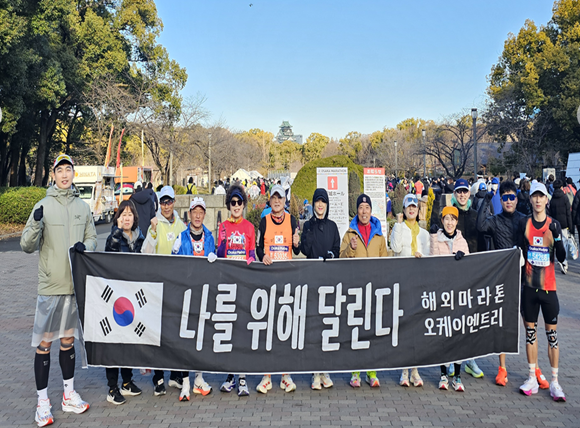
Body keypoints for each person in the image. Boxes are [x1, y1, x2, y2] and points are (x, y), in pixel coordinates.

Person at [21, 154, 97, 427]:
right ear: (53, 175)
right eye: (60, 170)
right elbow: (26, 245)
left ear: (74, 173)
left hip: (73, 286)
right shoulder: (42, 205)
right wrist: (35, 223)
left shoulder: (83, 207)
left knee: (67, 341)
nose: (64, 175)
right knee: (44, 344)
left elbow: (92, 237)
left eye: (68, 170)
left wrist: (87, 247)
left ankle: (68, 394)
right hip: (50, 287)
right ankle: (42, 402)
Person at [476, 180, 550, 388]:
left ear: (517, 199)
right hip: (503, 279)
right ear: (501, 200)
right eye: (505, 198)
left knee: (530, 324)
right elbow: (480, 226)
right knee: (503, 324)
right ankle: (502, 368)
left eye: (512, 197)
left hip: (525, 278)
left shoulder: (524, 220)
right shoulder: (494, 221)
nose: (509, 201)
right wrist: (487, 197)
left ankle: (535, 368)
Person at [517, 181, 567, 401]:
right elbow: (518, 251)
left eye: (541, 196)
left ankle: (555, 381)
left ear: (547, 200)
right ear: (530, 199)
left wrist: (557, 238)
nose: (538, 200)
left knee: (552, 336)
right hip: (529, 288)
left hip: (549, 289)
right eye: (534, 196)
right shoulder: (524, 223)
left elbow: (562, 257)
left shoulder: (554, 224)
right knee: (530, 334)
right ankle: (531, 377)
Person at [141, 186, 188, 396]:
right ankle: (158, 377)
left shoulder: (181, 225)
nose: (166, 206)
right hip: (158, 286)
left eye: (169, 202)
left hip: (176, 286)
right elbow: (145, 253)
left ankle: (175, 375)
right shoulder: (154, 224)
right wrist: (152, 232)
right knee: (158, 334)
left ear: (174, 202)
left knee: (175, 332)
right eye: (163, 202)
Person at [255, 184, 301, 393]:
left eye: (280, 198)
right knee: (268, 329)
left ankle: (285, 375)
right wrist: (262, 256)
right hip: (268, 281)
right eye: (273, 198)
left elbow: (297, 250)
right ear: (270, 200)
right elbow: (258, 247)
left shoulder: (292, 221)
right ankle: (266, 376)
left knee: (286, 329)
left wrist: (297, 242)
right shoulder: (264, 221)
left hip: (287, 282)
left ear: (284, 201)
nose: (276, 201)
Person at [340, 194, 388, 388]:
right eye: (361, 207)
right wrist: (351, 249)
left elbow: (385, 262)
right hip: (355, 288)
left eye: (367, 207)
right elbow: (340, 259)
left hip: (374, 289)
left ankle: (372, 372)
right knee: (356, 331)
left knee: (373, 331)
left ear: (371, 211)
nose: (364, 211)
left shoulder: (379, 236)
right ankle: (355, 372)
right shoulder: (349, 234)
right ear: (357, 210)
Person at [171, 196, 215, 400]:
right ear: (189, 214)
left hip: (203, 294)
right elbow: (174, 264)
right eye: (194, 212)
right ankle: (185, 383)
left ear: (204, 215)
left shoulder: (210, 237)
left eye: (200, 212)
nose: (197, 216)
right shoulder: (181, 238)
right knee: (186, 340)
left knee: (201, 338)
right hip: (186, 294)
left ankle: (199, 378)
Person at [215, 185, 256, 397]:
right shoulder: (223, 226)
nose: (237, 206)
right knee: (229, 331)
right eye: (233, 202)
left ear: (244, 204)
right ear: (229, 205)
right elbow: (220, 255)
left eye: (240, 202)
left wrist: (251, 259)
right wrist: (222, 241)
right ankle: (230, 375)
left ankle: (242, 377)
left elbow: (252, 253)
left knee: (242, 331)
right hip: (228, 285)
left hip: (244, 284)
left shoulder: (249, 228)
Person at [104, 200, 144, 405]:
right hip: (115, 297)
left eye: (130, 214)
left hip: (132, 297)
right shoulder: (114, 237)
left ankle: (127, 381)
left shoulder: (140, 237)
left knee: (129, 340)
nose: (127, 218)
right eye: (123, 214)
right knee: (114, 342)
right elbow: (109, 253)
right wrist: (118, 231)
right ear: (118, 217)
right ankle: (112, 388)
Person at [300, 188, 340, 390]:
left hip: (329, 281)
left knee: (327, 326)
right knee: (314, 327)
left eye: (323, 201)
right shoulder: (308, 225)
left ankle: (326, 370)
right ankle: (315, 372)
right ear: (313, 204)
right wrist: (307, 232)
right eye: (317, 201)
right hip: (312, 280)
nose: (320, 205)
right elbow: (304, 250)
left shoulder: (332, 226)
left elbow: (337, 248)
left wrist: (331, 255)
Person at [391, 194, 430, 388]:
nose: (412, 209)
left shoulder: (424, 233)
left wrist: (421, 257)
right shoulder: (399, 228)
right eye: (409, 207)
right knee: (405, 327)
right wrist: (398, 225)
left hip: (419, 283)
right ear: (404, 210)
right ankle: (404, 370)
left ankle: (415, 370)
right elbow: (395, 247)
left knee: (417, 327)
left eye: (414, 206)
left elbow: (429, 256)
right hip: (403, 282)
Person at [430, 206, 469, 392]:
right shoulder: (437, 238)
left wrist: (463, 259)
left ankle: (458, 375)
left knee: (458, 335)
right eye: (446, 219)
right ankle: (443, 374)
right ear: (442, 221)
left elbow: (470, 266)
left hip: (458, 293)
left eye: (453, 219)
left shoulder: (462, 241)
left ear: (457, 221)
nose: (450, 222)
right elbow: (432, 260)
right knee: (444, 335)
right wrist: (432, 237)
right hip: (442, 293)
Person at [548, 179, 572, 274]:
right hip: (564, 224)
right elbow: (568, 213)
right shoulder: (565, 198)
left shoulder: (552, 199)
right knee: (564, 244)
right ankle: (564, 262)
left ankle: (560, 261)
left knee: (557, 242)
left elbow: (550, 213)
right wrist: (571, 226)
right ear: (562, 187)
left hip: (555, 225)